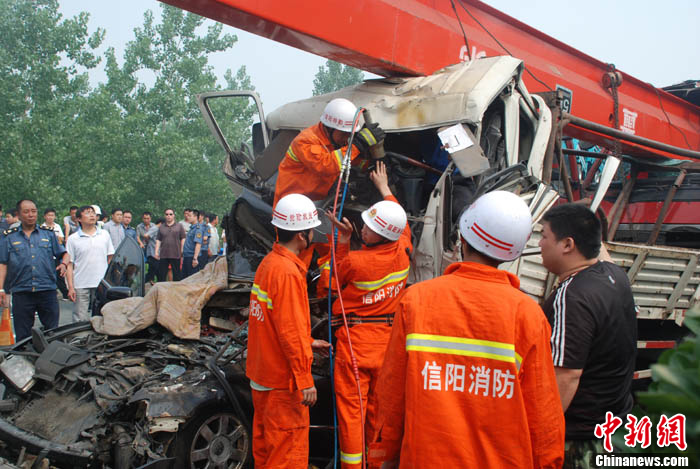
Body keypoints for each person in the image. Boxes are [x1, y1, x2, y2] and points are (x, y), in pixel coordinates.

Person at [371, 191, 565, 468]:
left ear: (462, 238)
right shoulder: (528, 316)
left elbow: (390, 395)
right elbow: (543, 418)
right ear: (513, 252)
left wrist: (384, 456)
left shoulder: (417, 300)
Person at [323, 162, 412, 469]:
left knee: (352, 414)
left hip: (356, 344)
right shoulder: (404, 248)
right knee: (378, 411)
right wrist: (384, 188)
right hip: (387, 345)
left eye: (369, 228)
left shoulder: (357, 263)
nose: (363, 228)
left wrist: (344, 243)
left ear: (381, 234)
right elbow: (397, 217)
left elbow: (329, 284)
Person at [538, 203, 636, 466]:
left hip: (582, 441)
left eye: (544, 235)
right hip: (614, 428)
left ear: (567, 245)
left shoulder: (572, 296)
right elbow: (597, 247)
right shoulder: (614, 275)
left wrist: (541, 438)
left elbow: (567, 376)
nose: (539, 244)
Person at [246, 193, 331, 468]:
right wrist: (305, 379)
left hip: (262, 376)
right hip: (283, 383)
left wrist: (308, 342)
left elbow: (274, 323)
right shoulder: (287, 273)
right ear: (303, 236)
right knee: (287, 454)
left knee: (266, 451)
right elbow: (289, 331)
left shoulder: (268, 264)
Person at [273, 98, 385, 208]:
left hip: (313, 200)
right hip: (290, 204)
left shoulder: (333, 140)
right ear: (329, 128)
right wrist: (358, 144)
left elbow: (351, 161)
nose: (347, 139)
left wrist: (371, 165)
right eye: (343, 134)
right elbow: (325, 165)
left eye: (349, 134)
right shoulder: (306, 140)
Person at [0, 200, 69, 341]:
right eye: (26, 212)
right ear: (18, 215)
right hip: (22, 292)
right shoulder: (9, 237)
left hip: (47, 291)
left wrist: (64, 264)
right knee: (23, 336)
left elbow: (64, 254)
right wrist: (1, 289)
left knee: (53, 334)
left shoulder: (48, 235)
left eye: (34, 211)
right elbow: (3, 264)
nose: (31, 215)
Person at [65, 206, 115, 322]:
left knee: (102, 316)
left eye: (93, 213)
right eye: (87, 213)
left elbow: (110, 257)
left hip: (101, 283)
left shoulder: (104, 235)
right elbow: (69, 264)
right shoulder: (73, 239)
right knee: (80, 317)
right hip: (81, 283)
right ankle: (80, 339)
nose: (92, 215)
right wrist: (71, 287)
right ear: (79, 219)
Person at [155, 208, 186, 282]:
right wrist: (156, 251)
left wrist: (182, 249)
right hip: (163, 255)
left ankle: (176, 292)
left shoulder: (179, 226)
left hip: (176, 254)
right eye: (167, 214)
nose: (169, 216)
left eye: (170, 214)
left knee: (177, 275)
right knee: (161, 275)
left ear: (174, 215)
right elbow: (158, 239)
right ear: (165, 216)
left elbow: (183, 238)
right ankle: (162, 291)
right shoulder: (161, 227)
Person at [181, 209, 207, 278]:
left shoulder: (198, 229)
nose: (187, 217)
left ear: (195, 217)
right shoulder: (191, 228)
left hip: (192, 257)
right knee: (184, 278)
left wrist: (195, 259)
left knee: (191, 279)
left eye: (189, 216)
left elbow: (198, 244)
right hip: (187, 256)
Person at [137, 212, 158, 283]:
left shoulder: (154, 226)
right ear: (142, 219)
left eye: (148, 218)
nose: (146, 220)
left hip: (152, 247)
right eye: (145, 218)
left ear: (150, 218)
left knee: (153, 264)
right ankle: (142, 280)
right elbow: (137, 236)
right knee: (142, 264)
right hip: (143, 247)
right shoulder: (139, 226)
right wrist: (140, 243)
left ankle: (150, 279)